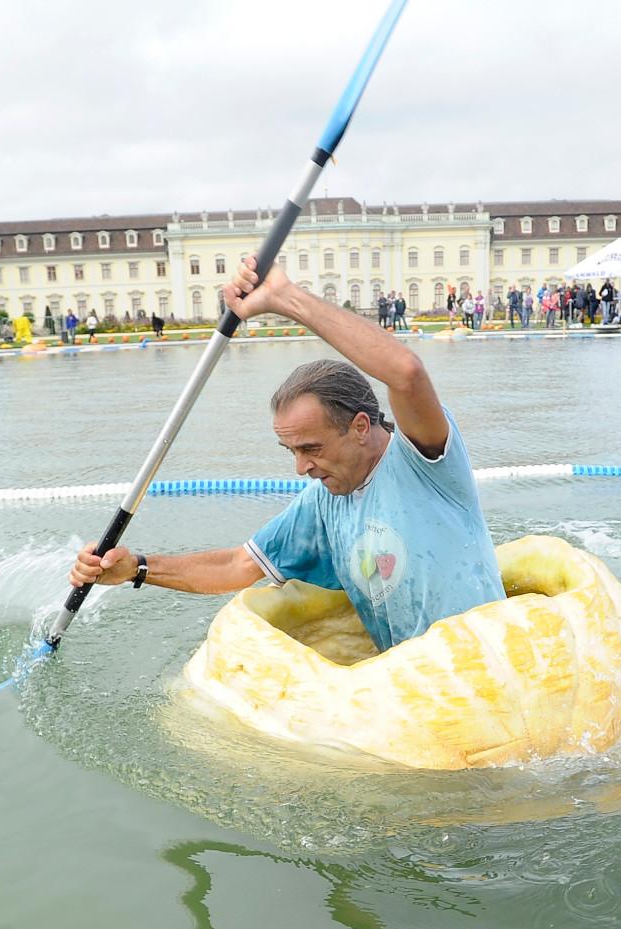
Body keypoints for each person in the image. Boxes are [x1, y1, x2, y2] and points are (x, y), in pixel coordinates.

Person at [70, 255, 505, 654]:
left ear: (359, 427)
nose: (301, 468)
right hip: (413, 687)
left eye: (311, 448)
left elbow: (407, 373)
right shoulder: (323, 502)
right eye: (291, 451)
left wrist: (286, 298)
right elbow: (237, 565)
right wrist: (137, 568)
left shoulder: (425, 461)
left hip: (492, 668)